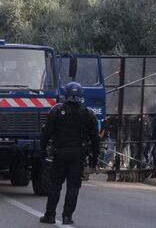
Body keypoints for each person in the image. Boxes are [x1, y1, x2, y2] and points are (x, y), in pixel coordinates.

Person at [39, 82, 99, 225]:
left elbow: (45, 134)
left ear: (65, 95)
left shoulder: (56, 111)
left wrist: (42, 151)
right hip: (78, 154)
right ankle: (67, 216)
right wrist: (94, 159)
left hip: (60, 153)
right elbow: (95, 139)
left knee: (55, 185)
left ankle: (50, 215)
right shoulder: (88, 113)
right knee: (73, 187)